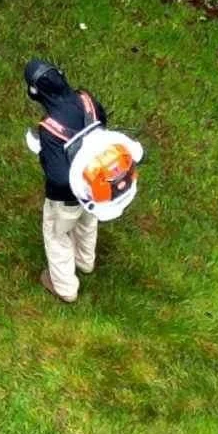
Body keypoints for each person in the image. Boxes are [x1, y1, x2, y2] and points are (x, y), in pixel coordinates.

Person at [24, 58, 142, 303]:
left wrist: (44, 155)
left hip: (66, 198)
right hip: (95, 190)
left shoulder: (50, 128)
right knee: (87, 223)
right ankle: (85, 261)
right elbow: (102, 128)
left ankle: (64, 287)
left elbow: (58, 178)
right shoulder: (87, 101)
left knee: (57, 235)